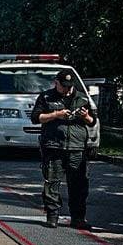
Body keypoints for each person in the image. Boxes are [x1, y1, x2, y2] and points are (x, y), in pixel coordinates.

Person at [31, 69, 98, 229]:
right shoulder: (46, 97)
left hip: (76, 148)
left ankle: (78, 218)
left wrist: (85, 116)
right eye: (64, 86)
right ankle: (52, 215)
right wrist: (56, 115)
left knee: (79, 185)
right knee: (52, 182)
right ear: (56, 83)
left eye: (69, 87)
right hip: (54, 146)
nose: (67, 90)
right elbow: (36, 118)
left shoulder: (81, 97)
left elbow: (92, 121)